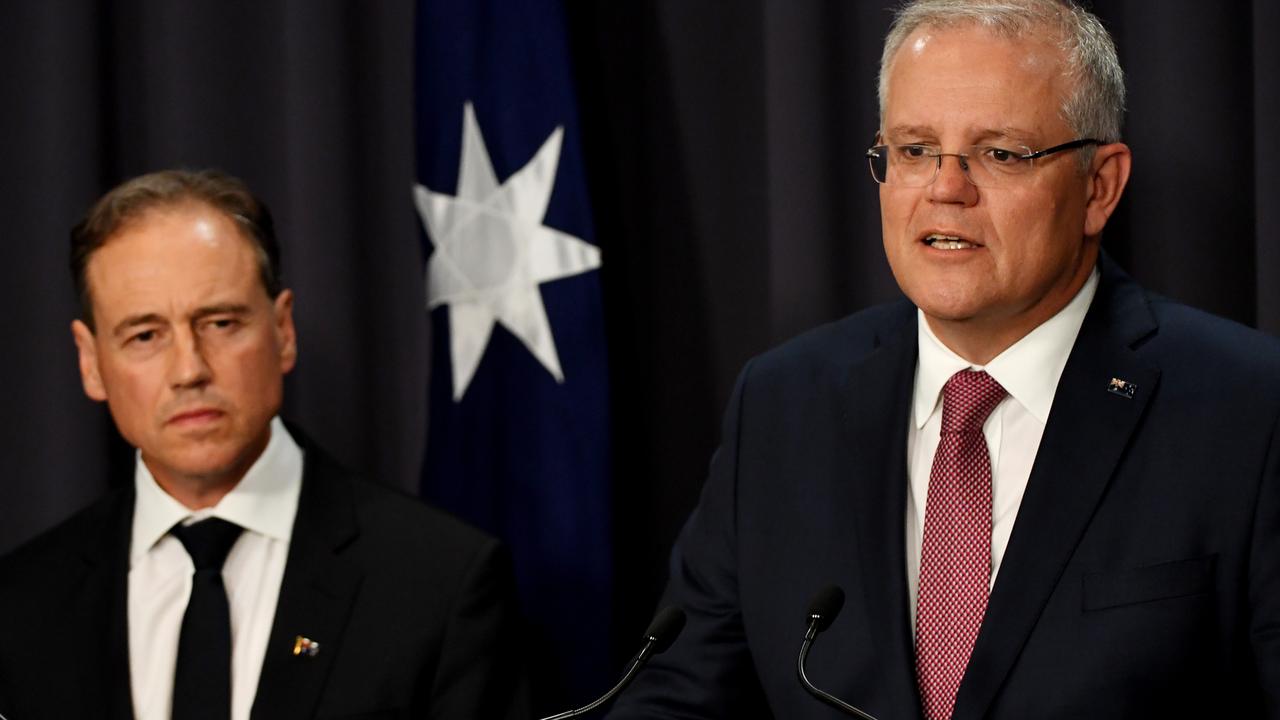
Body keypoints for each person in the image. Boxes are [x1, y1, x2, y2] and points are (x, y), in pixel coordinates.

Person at [608, 1, 1280, 718]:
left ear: (1099, 187)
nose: (945, 190)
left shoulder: (1246, 407)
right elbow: (677, 697)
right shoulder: (784, 404)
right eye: (914, 150)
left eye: (1000, 153)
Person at [0, 169, 529, 720]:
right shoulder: (20, 606)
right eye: (145, 335)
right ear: (90, 363)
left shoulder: (437, 583)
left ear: (283, 331)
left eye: (221, 322)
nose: (189, 370)